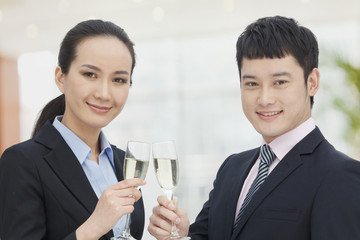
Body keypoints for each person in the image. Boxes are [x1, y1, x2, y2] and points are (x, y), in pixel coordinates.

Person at [148, 16, 360, 240]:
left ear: (312, 82)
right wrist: (178, 235)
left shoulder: (341, 176)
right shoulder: (231, 169)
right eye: (251, 84)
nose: (264, 98)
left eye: (279, 82)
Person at [0, 19, 146, 240]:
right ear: (61, 78)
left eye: (118, 79)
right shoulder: (22, 163)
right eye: (90, 75)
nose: (104, 94)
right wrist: (92, 228)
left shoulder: (125, 162)